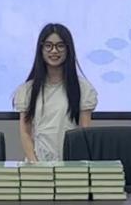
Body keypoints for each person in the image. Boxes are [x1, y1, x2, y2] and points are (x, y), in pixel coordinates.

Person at [13, 23, 97, 163]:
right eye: (48, 46)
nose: (54, 51)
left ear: (68, 49)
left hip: (71, 165)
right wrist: (36, 165)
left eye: (60, 46)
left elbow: (84, 133)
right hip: (37, 165)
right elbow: (25, 132)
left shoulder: (83, 89)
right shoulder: (27, 90)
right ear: (41, 49)